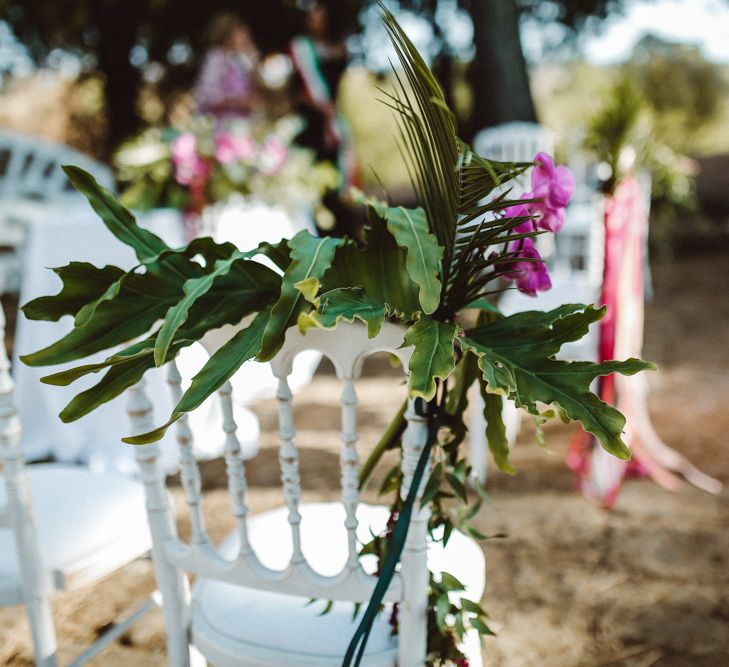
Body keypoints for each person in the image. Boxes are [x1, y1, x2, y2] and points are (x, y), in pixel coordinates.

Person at [289, 1, 356, 189]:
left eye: (318, 12)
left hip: (334, 115)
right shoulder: (300, 47)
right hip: (311, 119)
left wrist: (332, 117)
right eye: (310, 13)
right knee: (316, 172)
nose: (314, 17)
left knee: (338, 172)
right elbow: (298, 91)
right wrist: (326, 115)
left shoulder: (339, 47)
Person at [195, 13, 261, 121]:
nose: (245, 37)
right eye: (240, 33)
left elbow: (254, 93)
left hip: (240, 125)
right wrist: (240, 102)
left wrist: (254, 64)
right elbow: (209, 97)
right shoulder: (215, 59)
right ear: (227, 36)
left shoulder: (240, 61)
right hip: (218, 124)